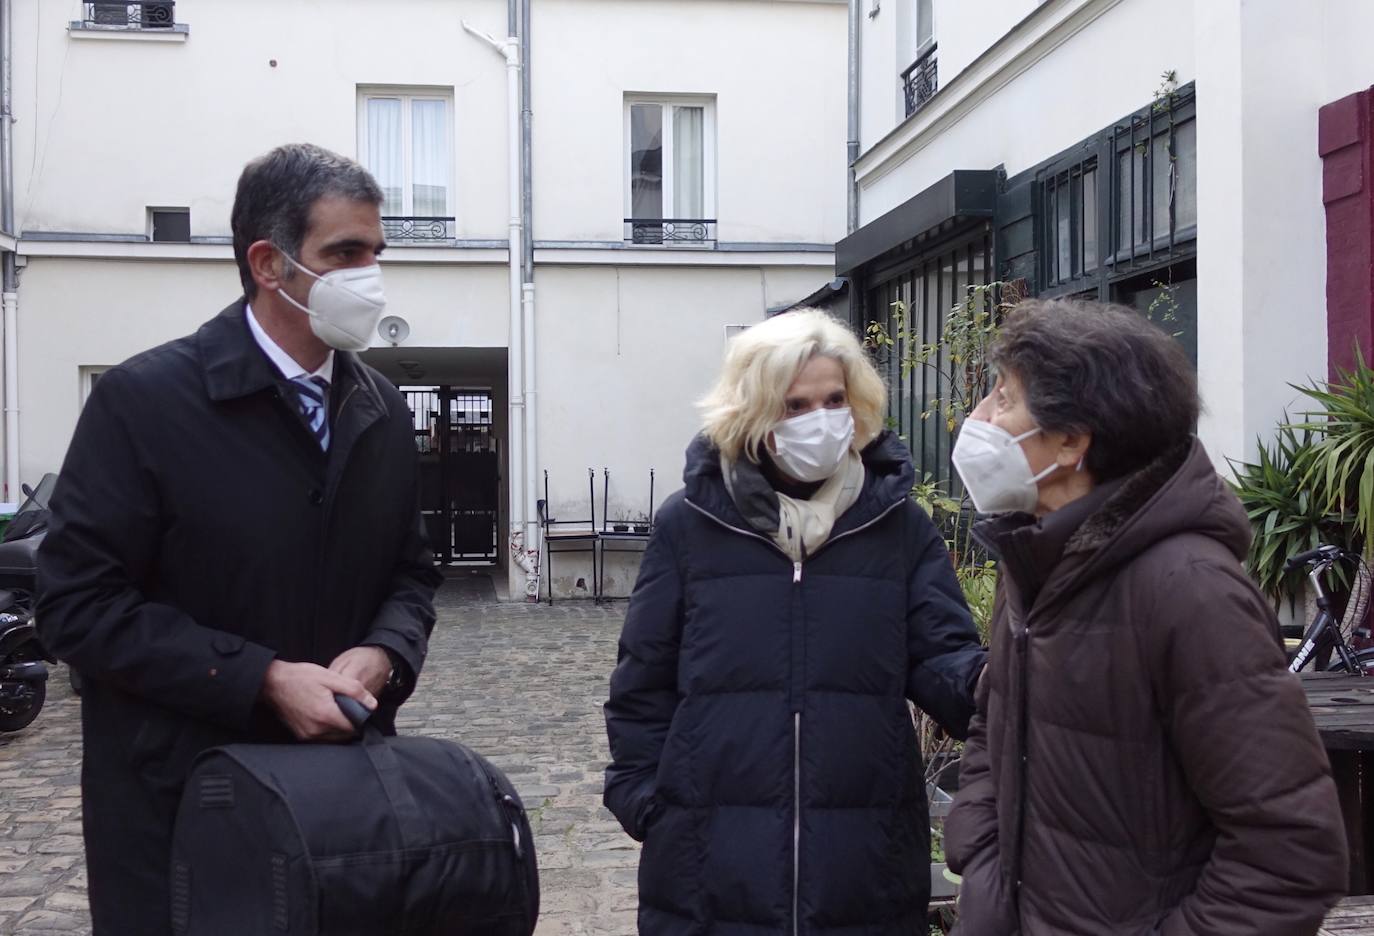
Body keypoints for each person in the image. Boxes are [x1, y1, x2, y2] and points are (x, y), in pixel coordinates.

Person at [37, 143, 442, 936]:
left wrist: (387, 652)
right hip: (180, 812)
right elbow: (77, 608)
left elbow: (411, 575)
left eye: (376, 252)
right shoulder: (142, 403)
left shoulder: (382, 410)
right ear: (269, 263)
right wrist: (260, 679)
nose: (370, 276)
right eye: (345, 253)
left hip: (340, 811)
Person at [944, 300, 1348, 935]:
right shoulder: (1037, 554)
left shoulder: (1190, 591)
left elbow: (1288, 852)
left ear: (1073, 440)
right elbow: (990, 726)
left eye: (1003, 399)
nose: (980, 420)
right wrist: (984, 859)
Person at [603, 308, 986, 935]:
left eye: (834, 399)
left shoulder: (897, 527)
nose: (821, 420)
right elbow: (642, 683)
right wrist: (650, 805)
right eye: (796, 405)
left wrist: (1003, 677)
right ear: (755, 412)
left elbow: (942, 660)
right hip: (710, 860)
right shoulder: (689, 526)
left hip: (864, 858)